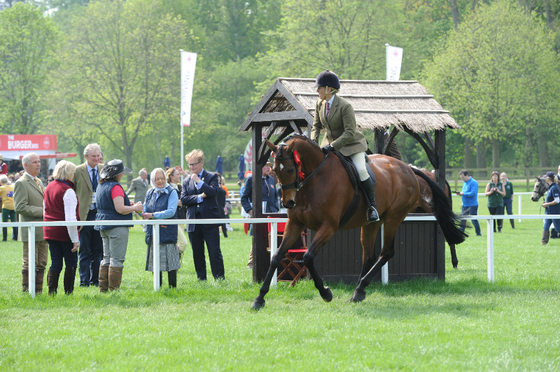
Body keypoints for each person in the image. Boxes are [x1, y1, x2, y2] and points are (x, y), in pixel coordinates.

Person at [310, 70, 379, 222]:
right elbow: (316, 126)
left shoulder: (345, 106)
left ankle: (372, 207)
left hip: (351, 144)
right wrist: (313, 141)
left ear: (329, 89)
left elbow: (349, 132)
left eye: (319, 87)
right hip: (328, 143)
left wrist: (333, 146)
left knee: (361, 170)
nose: (317, 90)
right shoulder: (319, 104)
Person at [94, 159, 143, 292]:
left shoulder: (100, 186)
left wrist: (129, 206)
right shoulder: (115, 187)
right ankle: (113, 290)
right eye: (121, 172)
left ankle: (103, 290)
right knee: (117, 260)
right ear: (117, 174)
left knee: (106, 258)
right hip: (116, 226)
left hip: (103, 226)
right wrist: (135, 208)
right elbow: (120, 209)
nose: (122, 175)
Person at [177, 149, 225, 280]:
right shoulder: (186, 181)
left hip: (210, 220)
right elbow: (184, 200)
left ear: (202, 162)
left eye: (194, 164)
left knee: (214, 251)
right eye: (190, 164)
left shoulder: (212, 176)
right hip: (193, 221)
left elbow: (213, 192)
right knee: (197, 253)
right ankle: (201, 279)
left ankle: (219, 278)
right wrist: (199, 197)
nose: (192, 167)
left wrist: (199, 182)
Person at [43, 161, 80, 295]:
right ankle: (68, 293)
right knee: (71, 263)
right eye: (73, 172)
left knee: (55, 262)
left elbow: (45, 210)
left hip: (50, 230)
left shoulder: (48, 187)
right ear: (69, 173)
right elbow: (70, 218)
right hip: (64, 233)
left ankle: (51, 292)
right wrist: (75, 239)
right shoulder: (68, 191)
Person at [14, 153, 48, 293]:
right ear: (26, 165)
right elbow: (20, 207)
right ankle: (27, 291)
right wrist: (43, 212)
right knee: (30, 262)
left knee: (42, 262)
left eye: (39, 161)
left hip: (43, 229)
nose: (38, 164)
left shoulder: (38, 181)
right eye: (35, 162)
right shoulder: (21, 183)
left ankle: (38, 291)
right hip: (30, 230)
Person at [142, 168, 180, 288]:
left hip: (167, 231)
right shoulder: (149, 192)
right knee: (155, 262)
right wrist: (138, 210)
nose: (160, 181)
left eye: (162, 178)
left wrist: (153, 215)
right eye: (157, 179)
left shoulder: (172, 192)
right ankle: (157, 286)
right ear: (152, 180)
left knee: (170, 263)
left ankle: (172, 288)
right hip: (152, 232)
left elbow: (171, 212)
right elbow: (145, 210)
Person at [74, 143, 104, 287]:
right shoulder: (77, 171)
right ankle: (84, 281)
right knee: (84, 250)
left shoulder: (103, 170)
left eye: (98, 156)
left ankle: (96, 280)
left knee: (98, 250)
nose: (96, 159)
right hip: (84, 215)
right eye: (93, 156)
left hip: (99, 215)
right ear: (86, 156)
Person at [241, 162, 279, 269]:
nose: (268, 168)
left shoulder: (271, 179)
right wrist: (250, 210)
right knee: (258, 237)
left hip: (272, 213)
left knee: (273, 238)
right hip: (258, 214)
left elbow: (275, 196)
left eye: (269, 165)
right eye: (266, 165)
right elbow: (244, 197)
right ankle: (251, 264)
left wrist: (275, 208)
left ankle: (269, 262)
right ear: (258, 167)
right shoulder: (251, 179)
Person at [166, 167, 189, 260]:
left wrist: (185, 174)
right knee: (183, 244)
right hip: (172, 218)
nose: (180, 176)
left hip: (181, 217)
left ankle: (174, 263)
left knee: (177, 242)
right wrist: (175, 203)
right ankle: (168, 256)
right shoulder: (167, 188)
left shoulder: (180, 187)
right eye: (178, 175)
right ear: (171, 176)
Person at [457, 169, 482, 236]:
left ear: (467, 175)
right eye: (461, 177)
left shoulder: (474, 182)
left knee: (474, 220)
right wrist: (460, 194)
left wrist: (463, 194)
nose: (462, 179)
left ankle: (478, 233)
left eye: (463, 177)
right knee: (463, 219)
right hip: (465, 204)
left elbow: (473, 193)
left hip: (472, 205)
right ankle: (461, 233)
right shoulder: (464, 183)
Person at [541, 171, 560, 245]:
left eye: (545, 177)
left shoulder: (554, 187)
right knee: (545, 226)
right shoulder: (550, 187)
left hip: (554, 211)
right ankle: (544, 242)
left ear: (548, 178)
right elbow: (552, 198)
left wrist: (547, 204)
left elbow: (557, 200)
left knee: (558, 228)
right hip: (548, 211)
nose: (545, 178)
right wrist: (546, 202)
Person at [0, 175, 17, 241]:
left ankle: (5, 238)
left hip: (6, 206)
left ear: (1, 182)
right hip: (13, 206)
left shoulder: (1, 188)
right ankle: (15, 237)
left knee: (4, 222)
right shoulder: (12, 187)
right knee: (14, 222)